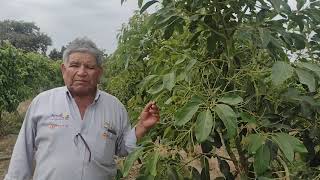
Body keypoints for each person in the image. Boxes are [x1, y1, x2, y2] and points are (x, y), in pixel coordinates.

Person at [4, 37, 160, 180]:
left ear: (99, 72)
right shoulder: (42, 102)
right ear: (64, 70)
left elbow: (122, 149)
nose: (82, 72)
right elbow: (22, 156)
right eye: (74, 65)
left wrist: (141, 127)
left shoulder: (115, 107)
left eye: (90, 67)